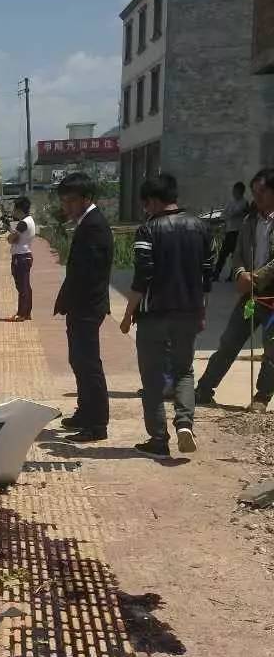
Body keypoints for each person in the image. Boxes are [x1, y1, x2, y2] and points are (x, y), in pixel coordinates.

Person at [118, 174, 212, 457]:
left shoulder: (148, 230)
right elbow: (207, 276)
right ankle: (185, 423)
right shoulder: (201, 228)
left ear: (154, 201)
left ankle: (159, 439)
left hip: (154, 315)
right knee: (184, 371)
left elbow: (142, 276)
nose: (145, 210)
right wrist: (201, 311)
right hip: (189, 312)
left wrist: (127, 312)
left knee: (152, 378)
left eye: (146, 204)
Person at [195, 167, 274, 413]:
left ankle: (261, 397)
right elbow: (238, 252)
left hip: (270, 295)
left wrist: (256, 278)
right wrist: (240, 273)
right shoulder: (251, 220)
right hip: (249, 294)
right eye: (254, 192)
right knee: (229, 341)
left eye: (261, 192)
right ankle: (204, 389)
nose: (257, 197)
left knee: (271, 349)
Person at [53, 172, 114, 442]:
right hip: (81, 306)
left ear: (86, 198)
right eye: (63, 201)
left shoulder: (95, 226)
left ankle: (96, 423)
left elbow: (91, 273)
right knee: (78, 360)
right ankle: (84, 411)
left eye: (70, 201)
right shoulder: (86, 222)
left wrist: (75, 302)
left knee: (88, 363)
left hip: (88, 307)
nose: (66, 207)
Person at [213, 181, 249, 282]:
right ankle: (216, 274)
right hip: (230, 231)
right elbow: (225, 214)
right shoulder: (231, 202)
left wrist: (231, 214)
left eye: (236, 191)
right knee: (223, 253)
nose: (234, 192)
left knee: (235, 255)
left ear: (241, 192)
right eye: (234, 190)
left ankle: (232, 276)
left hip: (238, 232)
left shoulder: (244, 203)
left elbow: (237, 213)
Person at [7, 196, 36, 321]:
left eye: (15, 208)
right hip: (25, 255)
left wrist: (10, 236)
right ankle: (27, 312)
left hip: (20, 257)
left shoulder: (23, 223)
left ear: (20, 209)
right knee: (25, 286)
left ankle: (22, 314)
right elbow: (16, 236)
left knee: (22, 287)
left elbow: (12, 239)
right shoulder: (29, 220)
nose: (13, 211)